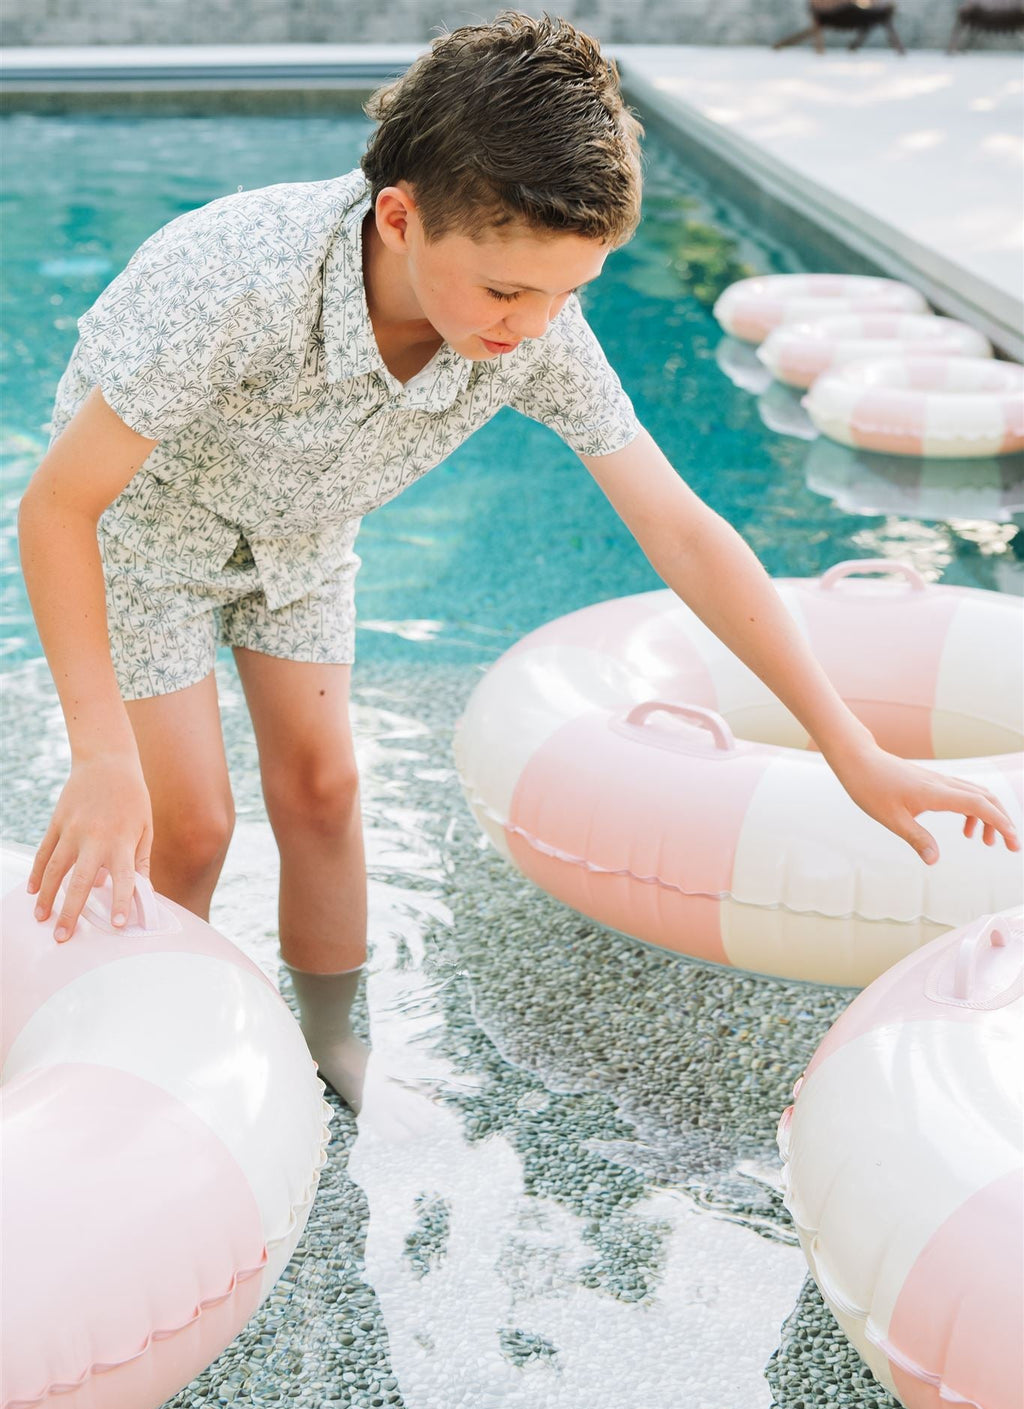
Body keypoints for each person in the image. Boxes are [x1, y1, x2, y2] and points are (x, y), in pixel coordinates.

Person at [19, 12, 1018, 1111]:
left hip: (300, 541)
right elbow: (58, 507)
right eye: (506, 293)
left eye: (566, 292)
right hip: (149, 537)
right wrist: (101, 756)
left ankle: (330, 1051)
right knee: (191, 820)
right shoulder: (231, 284)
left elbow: (681, 528)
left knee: (324, 786)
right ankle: (150, 1060)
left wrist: (851, 746)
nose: (535, 326)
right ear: (399, 219)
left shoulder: (530, 323)